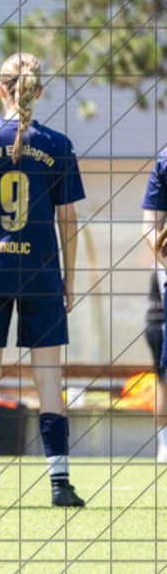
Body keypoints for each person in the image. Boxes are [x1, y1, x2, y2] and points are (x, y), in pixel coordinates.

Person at [0, 52, 85, 508]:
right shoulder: (59, 145)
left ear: (1, 88)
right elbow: (68, 221)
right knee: (48, 376)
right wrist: (69, 277)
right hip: (43, 271)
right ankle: (59, 484)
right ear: (39, 90)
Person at [141, 156, 167, 462]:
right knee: (163, 381)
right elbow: (149, 229)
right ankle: (163, 444)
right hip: (159, 315)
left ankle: (164, 445)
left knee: (164, 382)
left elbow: (148, 228)